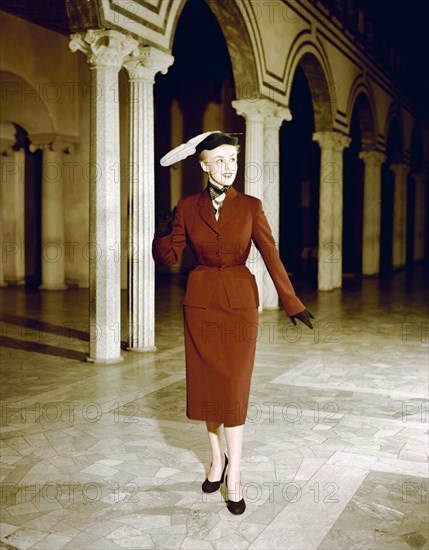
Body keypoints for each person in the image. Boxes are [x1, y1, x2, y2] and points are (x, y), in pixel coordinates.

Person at [152, 131, 314, 515]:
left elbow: (271, 256)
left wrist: (292, 303)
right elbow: (168, 258)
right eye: (220, 160)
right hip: (201, 304)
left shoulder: (251, 206)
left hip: (240, 306)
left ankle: (236, 473)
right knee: (209, 387)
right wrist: (162, 232)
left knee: (234, 389)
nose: (229, 168)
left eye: (234, 160)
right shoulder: (188, 206)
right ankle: (217, 460)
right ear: (203, 164)